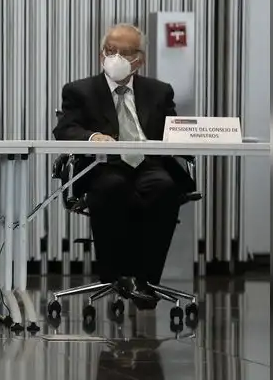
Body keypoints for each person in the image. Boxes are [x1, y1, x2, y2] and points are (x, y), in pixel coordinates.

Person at [52, 23, 194, 307]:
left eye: (124, 52)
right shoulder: (79, 91)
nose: (115, 57)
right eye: (110, 50)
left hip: (148, 164)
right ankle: (117, 276)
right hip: (103, 166)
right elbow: (66, 129)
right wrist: (93, 137)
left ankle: (145, 281)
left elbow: (174, 131)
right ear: (100, 54)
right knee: (113, 189)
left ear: (139, 60)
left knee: (164, 189)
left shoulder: (159, 91)